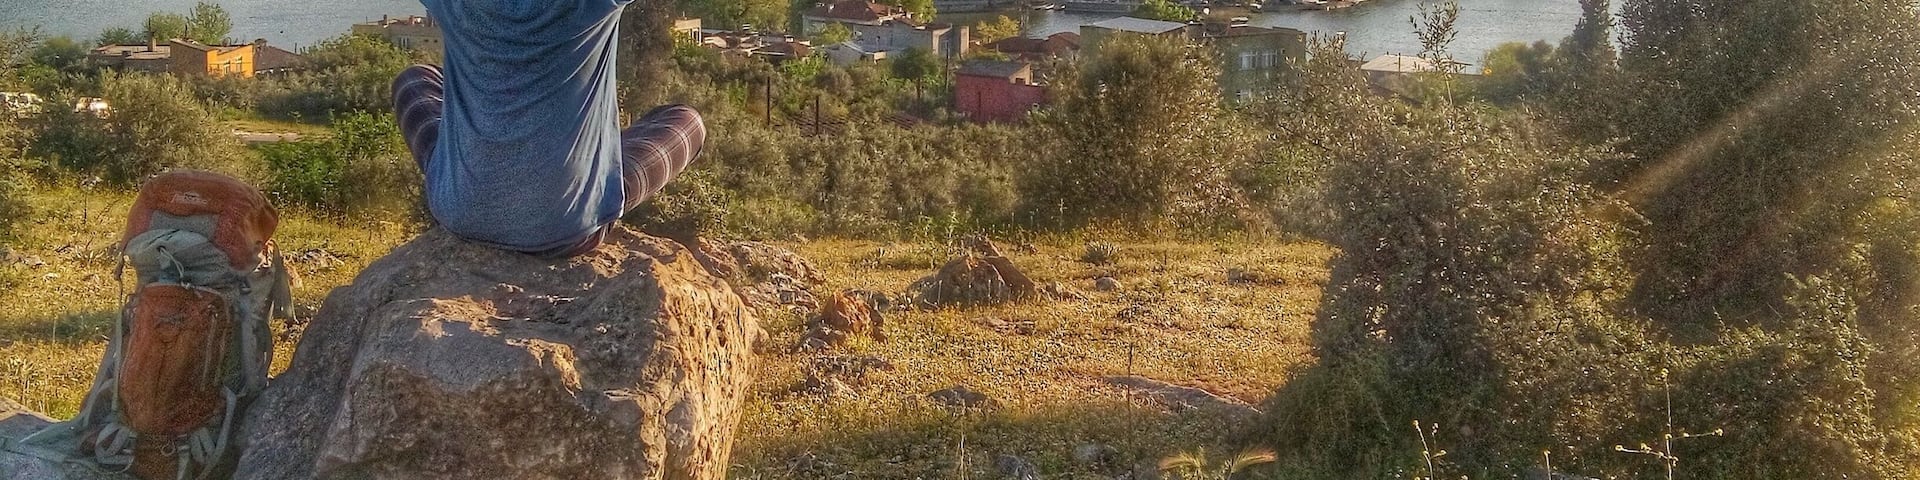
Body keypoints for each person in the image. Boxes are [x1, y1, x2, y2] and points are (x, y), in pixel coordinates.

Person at [393, 0, 705, 258]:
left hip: (461, 212)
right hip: (567, 228)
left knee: (414, 81)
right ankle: (589, 184)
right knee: (686, 122)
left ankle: (474, 176)